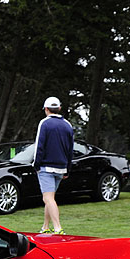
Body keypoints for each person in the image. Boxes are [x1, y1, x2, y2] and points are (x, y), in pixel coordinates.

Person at [33, 96, 74, 234]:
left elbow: (39, 146)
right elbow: (70, 150)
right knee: (50, 198)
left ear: (46, 109)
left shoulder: (44, 123)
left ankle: (58, 228)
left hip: (46, 167)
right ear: (59, 108)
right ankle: (45, 227)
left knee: (48, 198)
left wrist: (36, 164)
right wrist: (68, 169)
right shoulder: (67, 125)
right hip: (61, 167)